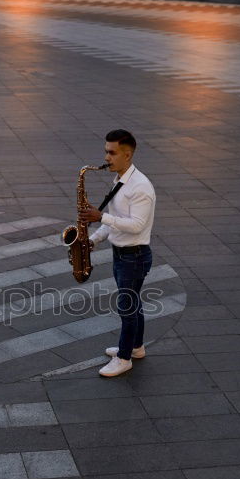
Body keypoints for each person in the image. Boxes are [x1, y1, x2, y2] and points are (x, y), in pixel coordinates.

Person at [79, 129, 156, 377]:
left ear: (127, 154)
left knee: (127, 308)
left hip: (134, 256)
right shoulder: (120, 181)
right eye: (106, 151)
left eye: (112, 153)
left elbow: (136, 225)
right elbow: (114, 221)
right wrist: (93, 240)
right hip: (122, 254)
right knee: (133, 303)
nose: (106, 157)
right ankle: (136, 347)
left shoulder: (140, 187)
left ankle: (124, 359)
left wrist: (101, 215)